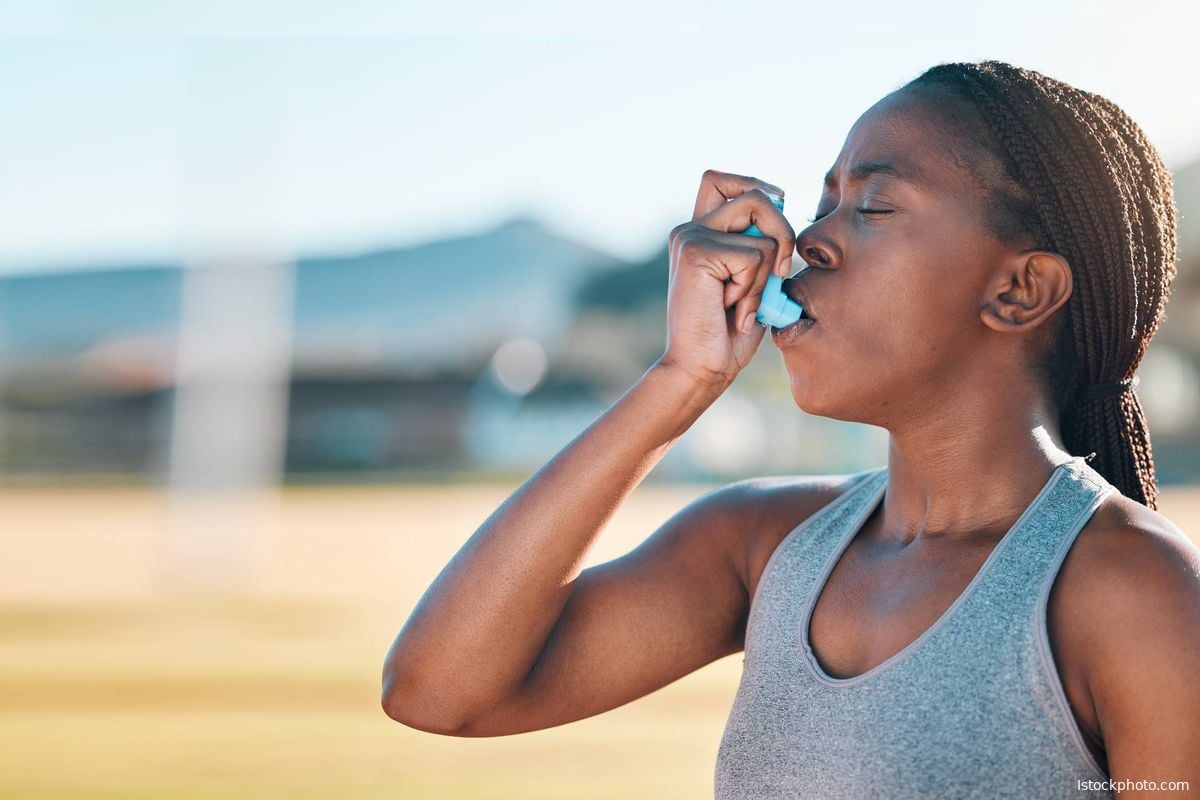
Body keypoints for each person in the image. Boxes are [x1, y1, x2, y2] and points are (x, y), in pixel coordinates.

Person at [382, 60, 1200, 797]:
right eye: (822, 204)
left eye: (875, 205)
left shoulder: (1133, 593)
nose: (807, 243)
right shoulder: (763, 545)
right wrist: (681, 381)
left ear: (1019, 291)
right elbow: (441, 691)